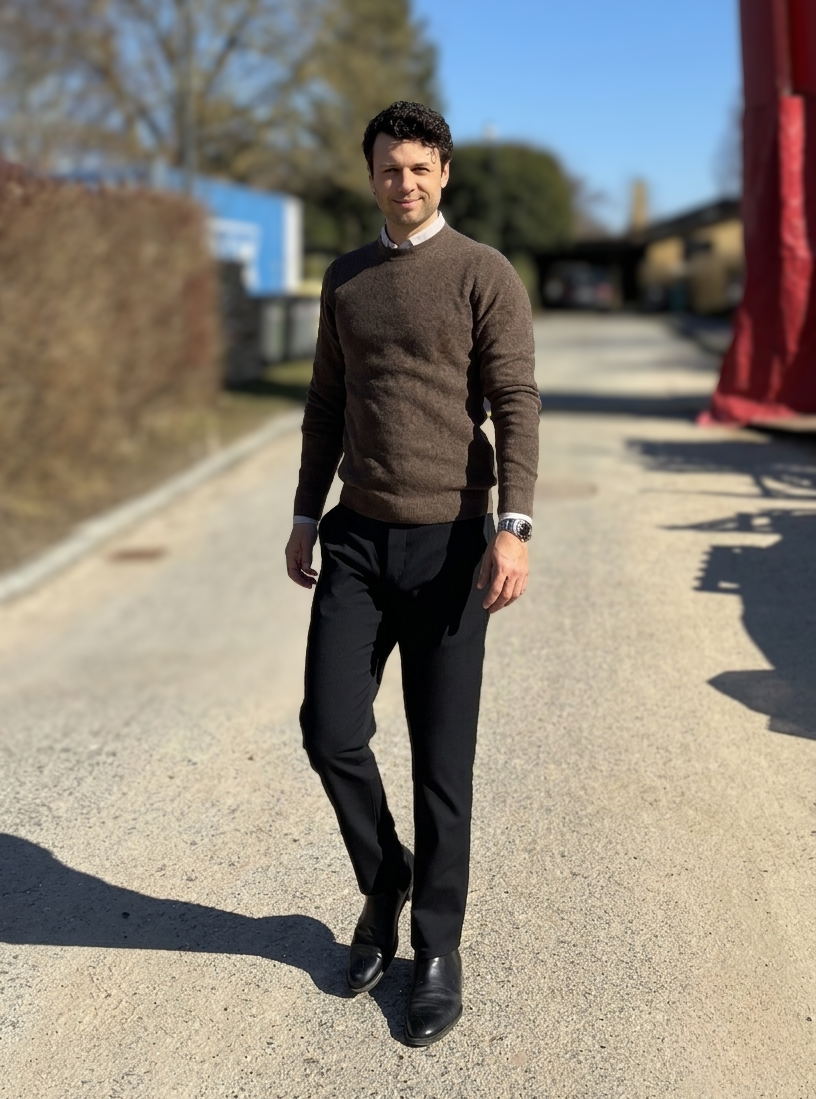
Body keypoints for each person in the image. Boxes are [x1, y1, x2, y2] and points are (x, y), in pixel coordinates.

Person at [284, 101, 540, 1046]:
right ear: (372, 177)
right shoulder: (346, 278)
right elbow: (325, 401)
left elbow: (515, 400)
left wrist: (513, 525)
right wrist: (306, 512)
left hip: (451, 545)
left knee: (442, 761)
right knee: (329, 731)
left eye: (421, 167)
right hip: (357, 536)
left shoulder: (482, 272)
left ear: (444, 174)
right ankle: (384, 876)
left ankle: (436, 945)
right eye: (391, 168)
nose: (406, 182)